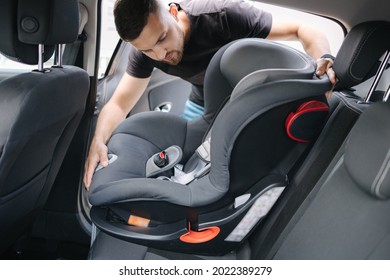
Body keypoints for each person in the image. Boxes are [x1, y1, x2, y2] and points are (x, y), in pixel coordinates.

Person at [83, 0, 336, 190]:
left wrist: (324, 59)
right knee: (191, 165)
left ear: (172, 12)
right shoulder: (145, 53)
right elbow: (118, 103)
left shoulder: (223, 15)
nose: (161, 54)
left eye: (162, 38)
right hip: (204, 102)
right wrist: (98, 141)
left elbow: (303, 29)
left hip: (249, 97)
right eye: (148, 49)